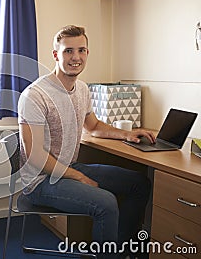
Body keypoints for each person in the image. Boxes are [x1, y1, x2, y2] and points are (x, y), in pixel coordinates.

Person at [17, 25, 155, 259]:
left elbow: (93, 127)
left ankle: (120, 250)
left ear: (87, 53)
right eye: (68, 51)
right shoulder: (35, 96)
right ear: (55, 55)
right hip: (40, 181)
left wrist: (128, 134)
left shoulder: (81, 89)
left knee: (139, 183)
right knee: (106, 203)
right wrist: (79, 177)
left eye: (81, 50)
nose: (76, 57)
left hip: (69, 168)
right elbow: (35, 156)